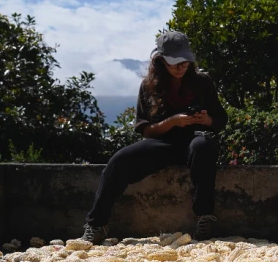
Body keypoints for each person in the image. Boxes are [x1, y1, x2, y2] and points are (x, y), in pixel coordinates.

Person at [81, 31, 228, 244]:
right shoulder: (149, 86)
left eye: (185, 62)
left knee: (203, 146)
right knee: (119, 161)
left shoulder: (202, 82)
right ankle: (96, 224)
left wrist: (206, 120)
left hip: (196, 140)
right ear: (161, 61)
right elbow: (146, 130)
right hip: (163, 142)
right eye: (175, 63)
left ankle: (205, 217)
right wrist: (173, 121)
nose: (181, 67)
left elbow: (221, 120)